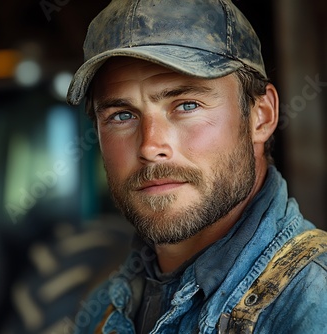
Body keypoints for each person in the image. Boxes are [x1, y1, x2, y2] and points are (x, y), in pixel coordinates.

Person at [66, 0, 327, 333]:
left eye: (186, 105)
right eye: (122, 115)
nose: (150, 146)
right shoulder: (104, 309)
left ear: (261, 116)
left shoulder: (312, 304)